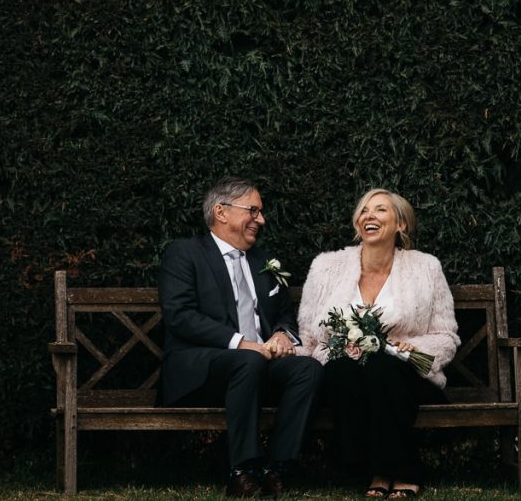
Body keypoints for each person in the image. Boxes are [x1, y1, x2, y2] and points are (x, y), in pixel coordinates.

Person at [158, 176, 323, 498]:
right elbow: (180, 316)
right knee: (247, 360)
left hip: (258, 364)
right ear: (221, 212)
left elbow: (284, 314)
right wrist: (239, 342)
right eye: (253, 210)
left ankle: (277, 466)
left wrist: (281, 334)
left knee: (308, 369)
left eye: (260, 212)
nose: (261, 219)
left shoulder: (264, 261)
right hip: (203, 367)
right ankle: (241, 468)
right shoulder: (184, 253)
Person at [295, 189, 460, 499]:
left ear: (401, 225)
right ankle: (385, 467)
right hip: (344, 371)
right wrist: (335, 348)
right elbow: (310, 337)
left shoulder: (426, 268)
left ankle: (387, 471)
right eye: (364, 210)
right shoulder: (326, 267)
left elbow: (446, 335)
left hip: (407, 374)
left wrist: (416, 349)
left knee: (384, 367)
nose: (368, 216)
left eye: (380, 210)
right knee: (347, 369)